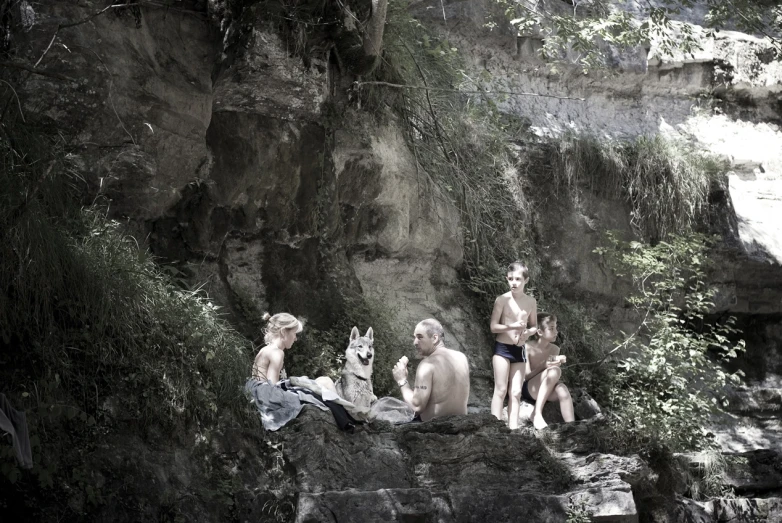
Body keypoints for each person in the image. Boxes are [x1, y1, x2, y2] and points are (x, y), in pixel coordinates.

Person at [391, 318, 470, 421]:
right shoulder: (461, 357)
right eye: (414, 337)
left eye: (420, 337)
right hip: (462, 423)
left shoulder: (427, 364)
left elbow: (417, 407)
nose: (415, 342)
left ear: (434, 338)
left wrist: (402, 381)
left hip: (437, 429)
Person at [489, 261, 538, 430]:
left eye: (518, 279)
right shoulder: (502, 300)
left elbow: (534, 326)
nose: (514, 283)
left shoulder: (531, 301)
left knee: (516, 392)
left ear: (526, 280)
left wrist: (529, 333)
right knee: (501, 390)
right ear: (506, 279)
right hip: (502, 348)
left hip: (520, 349)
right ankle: (495, 428)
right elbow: (493, 327)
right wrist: (513, 326)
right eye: (510, 279)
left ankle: (513, 429)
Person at [522, 313, 574, 429]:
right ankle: (536, 413)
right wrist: (544, 365)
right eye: (551, 328)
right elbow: (526, 377)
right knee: (555, 370)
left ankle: (572, 427)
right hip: (529, 388)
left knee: (562, 389)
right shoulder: (526, 347)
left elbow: (551, 375)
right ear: (540, 332)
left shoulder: (555, 349)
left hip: (544, 388)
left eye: (556, 327)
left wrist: (555, 362)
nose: (556, 332)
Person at [252, 312, 303, 384]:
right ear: (283, 332)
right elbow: (272, 388)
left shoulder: (263, 350)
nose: (295, 339)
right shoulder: (277, 353)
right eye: (294, 333)